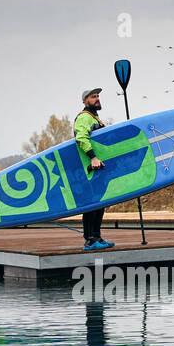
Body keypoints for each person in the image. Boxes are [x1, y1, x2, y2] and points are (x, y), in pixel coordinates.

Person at [74, 87, 115, 251]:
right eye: (93, 97)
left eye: (97, 96)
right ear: (85, 101)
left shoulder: (95, 118)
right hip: (90, 167)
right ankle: (90, 240)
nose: (97, 99)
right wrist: (93, 157)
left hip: (98, 168)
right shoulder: (84, 117)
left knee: (100, 203)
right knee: (93, 204)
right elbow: (81, 138)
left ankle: (96, 237)